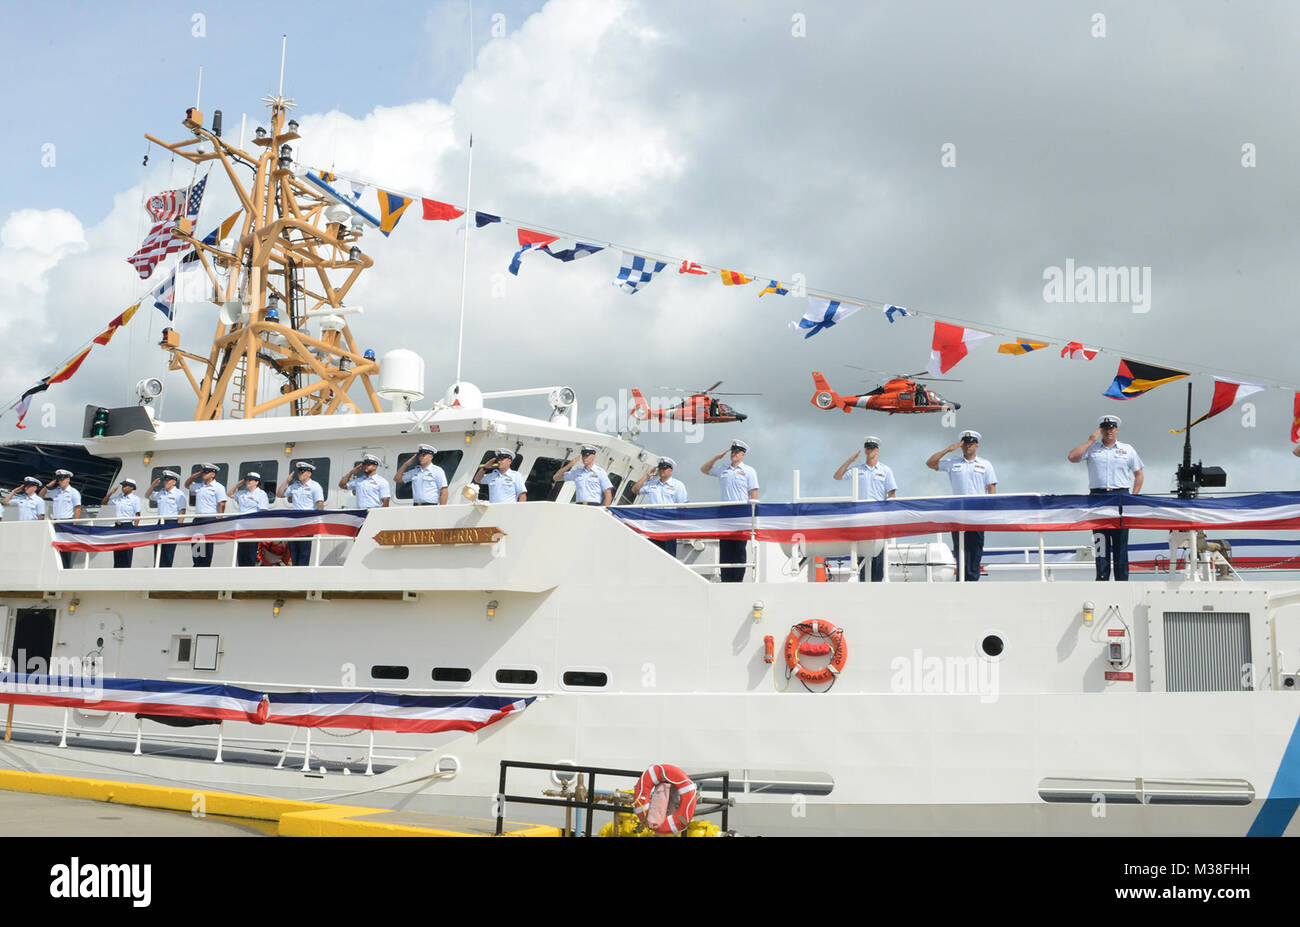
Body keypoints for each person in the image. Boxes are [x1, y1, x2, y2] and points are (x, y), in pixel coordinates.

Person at [1068, 414, 1144, 581]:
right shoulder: (1093, 449)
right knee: (1101, 542)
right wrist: (1090, 441)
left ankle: (1122, 580)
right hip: (1098, 497)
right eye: (1105, 428)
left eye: (1111, 428)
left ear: (1116, 429)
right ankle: (1102, 578)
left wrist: (1134, 497)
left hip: (1120, 496)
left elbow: (1139, 474)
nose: (1109, 431)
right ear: (1101, 430)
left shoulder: (1127, 449)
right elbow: (1072, 457)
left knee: (1121, 543)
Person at [926, 430, 997, 582]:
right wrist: (947, 450)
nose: (967, 447)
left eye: (971, 444)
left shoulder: (985, 464)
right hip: (958, 512)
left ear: (976, 446)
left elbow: (991, 488)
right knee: (960, 548)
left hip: (977, 512)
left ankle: (972, 579)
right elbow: (930, 463)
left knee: (975, 547)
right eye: (965, 444)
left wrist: (989, 511)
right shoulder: (953, 463)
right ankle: (961, 579)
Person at [834, 436, 897, 582]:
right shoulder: (857, 469)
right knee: (862, 551)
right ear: (865, 450)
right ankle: (863, 581)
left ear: (877, 451)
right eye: (868, 448)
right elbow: (837, 476)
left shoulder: (885, 470)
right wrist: (850, 461)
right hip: (861, 517)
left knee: (878, 551)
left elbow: (892, 494)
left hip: (878, 516)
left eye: (873, 448)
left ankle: (877, 582)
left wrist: (888, 515)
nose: (870, 451)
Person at [701, 440, 759, 582]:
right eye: (732, 451)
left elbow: (754, 494)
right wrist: (717, 457)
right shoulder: (723, 469)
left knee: (739, 548)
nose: (733, 454)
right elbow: (704, 469)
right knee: (725, 547)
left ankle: (737, 579)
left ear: (743, 454)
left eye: (737, 452)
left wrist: (753, 517)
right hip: (725, 513)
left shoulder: (749, 471)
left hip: (741, 512)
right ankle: (726, 579)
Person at [630, 457, 688, 556]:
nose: (661, 470)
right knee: (653, 553)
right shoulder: (651, 484)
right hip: (653, 523)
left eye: (664, 468)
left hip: (669, 523)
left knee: (669, 554)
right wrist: (647, 476)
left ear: (671, 469)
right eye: (660, 468)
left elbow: (683, 506)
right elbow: (635, 490)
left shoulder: (678, 485)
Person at [278, 462, 325, 566]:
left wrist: (317, 521)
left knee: (304, 552)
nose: (299, 474)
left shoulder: (315, 486)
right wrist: (286, 481)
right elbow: (279, 494)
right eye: (299, 472)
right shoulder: (295, 486)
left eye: (302, 472)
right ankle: (295, 575)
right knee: (294, 551)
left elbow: (320, 504)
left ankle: (302, 577)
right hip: (294, 522)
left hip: (307, 523)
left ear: (309, 474)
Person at [185, 464, 227, 567]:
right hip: (198, 518)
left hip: (209, 518)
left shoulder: (218, 487)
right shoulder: (199, 486)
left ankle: (205, 566)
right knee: (196, 543)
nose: (203, 474)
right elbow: (187, 485)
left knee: (207, 545)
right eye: (203, 472)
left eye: (206, 472)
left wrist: (219, 518)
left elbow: (222, 503)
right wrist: (192, 477)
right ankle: (196, 564)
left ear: (213, 474)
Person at [41, 470, 82, 568]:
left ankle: (66, 569)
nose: (60, 482)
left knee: (66, 548)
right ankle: (57, 569)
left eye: (62, 479)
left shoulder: (74, 492)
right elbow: (41, 495)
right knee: (55, 547)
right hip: (56, 523)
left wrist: (74, 525)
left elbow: (78, 509)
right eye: (58, 480)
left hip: (67, 522)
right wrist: (48, 486)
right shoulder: (56, 491)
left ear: (68, 479)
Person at [230, 472, 271, 566]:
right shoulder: (242, 493)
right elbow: (229, 494)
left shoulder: (261, 494)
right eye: (247, 480)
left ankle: (250, 572)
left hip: (253, 527)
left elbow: (263, 511)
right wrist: (237, 485)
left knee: (250, 552)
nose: (247, 482)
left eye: (250, 480)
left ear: (257, 482)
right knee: (241, 553)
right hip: (241, 526)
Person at [148, 471, 187, 568]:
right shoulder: (161, 493)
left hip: (172, 523)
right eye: (165, 480)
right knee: (158, 549)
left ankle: (166, 570)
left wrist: (178, 527)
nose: (165, 482)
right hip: (160, 522)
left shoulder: (179, 494)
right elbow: (147, 495)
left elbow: (182, 512)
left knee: (168, 550)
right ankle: (156, 568)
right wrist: (153, 485)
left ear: (174, 482)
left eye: (168, 480)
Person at [101, 478, 142, 569]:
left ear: (131, 487)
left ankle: (126, 572)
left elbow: (138, 515)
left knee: (126, 552)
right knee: (117, 551)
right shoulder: (119, 497)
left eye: (125, 486)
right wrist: (111, 493)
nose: (123, 487)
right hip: (117, 526)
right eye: (122, 486)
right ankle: (116, 571)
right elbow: (104, 503)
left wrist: (134, 529)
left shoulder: (135, 499)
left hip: (127, 526)